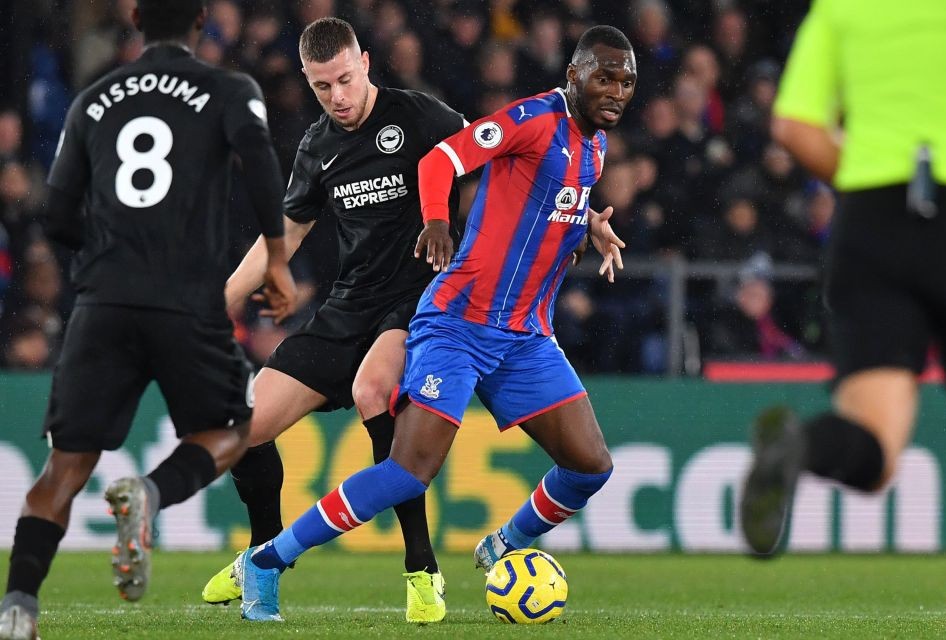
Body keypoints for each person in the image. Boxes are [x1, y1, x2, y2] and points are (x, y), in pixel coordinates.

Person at [234, 24, 636, 622]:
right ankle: (270, 559)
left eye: (626, 82)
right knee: (406, 472)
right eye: (604, 77)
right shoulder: (530, 118)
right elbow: (443, 159)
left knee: (591, 468)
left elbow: (545, 206)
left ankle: (503, 546)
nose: (616, 91)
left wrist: (587, 227)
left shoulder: (592, 146)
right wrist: (436, 220)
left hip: (525, 335)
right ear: (573, 75)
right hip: (458, 323)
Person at [0, 1, 297, 638]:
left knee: (64, 468)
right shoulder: (227, 88)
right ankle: (152, 494)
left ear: (135, 20)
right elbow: (263, 164)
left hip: (102, 301)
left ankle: (19, 605)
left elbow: (55, 217)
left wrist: (110, 248)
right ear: (199, 23)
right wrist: (276, 259)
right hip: (185, 299)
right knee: (231, 431)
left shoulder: (94, 97)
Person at [198, 17, 467, 624]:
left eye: (345, 80)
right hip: (351, 305)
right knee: (244, 427)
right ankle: (262, 559)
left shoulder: (422, 117)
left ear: (366, 63)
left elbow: (494, 162)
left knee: (375, 389)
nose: (337, 97)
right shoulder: (318, 147)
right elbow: (283, 238)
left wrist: (570, 216)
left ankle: (421, 569)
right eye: (322, 88)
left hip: (419, 298)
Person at [740, 0, 946, 557]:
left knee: (877, 448)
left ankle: (803, 446)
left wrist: (870, 181)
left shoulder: (842, 10)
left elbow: (792, 126)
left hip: (871, 225)